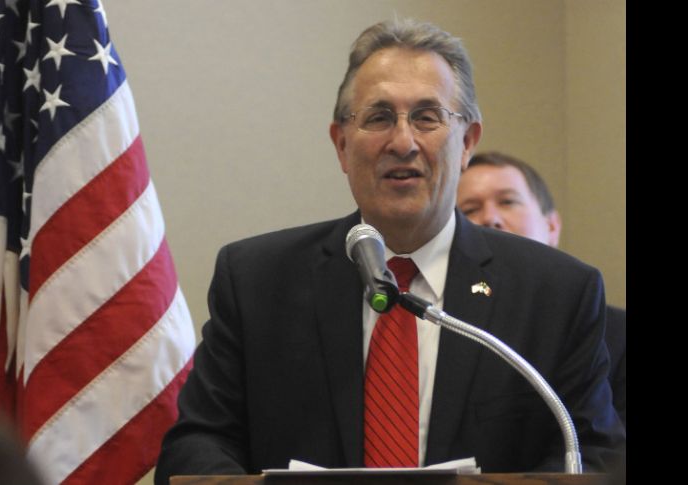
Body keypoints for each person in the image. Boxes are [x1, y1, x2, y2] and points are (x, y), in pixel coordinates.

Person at [155, 18, 624, 482]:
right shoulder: (256, 280)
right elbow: (197, 445)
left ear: (467, 143)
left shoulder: (557, 292)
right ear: (341, 144)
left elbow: (594, 453)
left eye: (427, 117)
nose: (403, 142)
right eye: (379, 118)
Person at [456, 151, 626, 427]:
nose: (490, 218)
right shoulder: (449, 326)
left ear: (552, 226)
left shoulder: (619, 335)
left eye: (507, 202)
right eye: (470, 210)